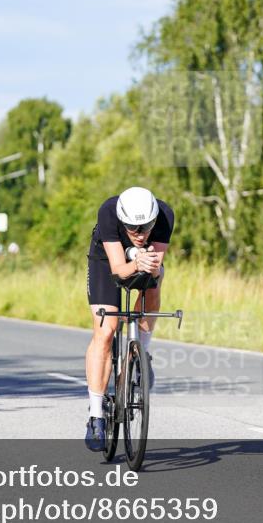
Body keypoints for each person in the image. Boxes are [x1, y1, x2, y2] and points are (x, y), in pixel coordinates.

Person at [84, 186, 174, 452]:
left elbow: (154, 265)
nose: (141, 234)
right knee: (107, 329)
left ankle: (140, 355)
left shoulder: (165, 215)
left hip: (142, 260)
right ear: (123, 222)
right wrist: (136, 261)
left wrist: (150, 266)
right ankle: (96, 415)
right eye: (133, 229)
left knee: (155, 284)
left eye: (146, 227)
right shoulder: (109, 212)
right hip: (106, 259)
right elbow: (118, 270)